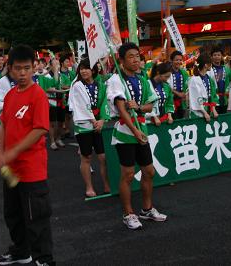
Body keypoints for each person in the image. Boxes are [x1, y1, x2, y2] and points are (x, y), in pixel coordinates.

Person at [0, 45, 54, 266]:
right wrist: (1, 153)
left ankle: (44, 259)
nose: (22, 73)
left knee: (37, 218)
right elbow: (3, 126)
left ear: (34, 68)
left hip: (32, 169)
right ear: (9, 69)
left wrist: (12, 152)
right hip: (11, 168)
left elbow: (40, 130)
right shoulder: (9, 96)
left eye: (26, 68)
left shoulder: (38, 94)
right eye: (17, 68)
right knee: (13, 214)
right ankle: (21, 251)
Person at [106, 42, 166, 231]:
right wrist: (135, 131)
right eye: (130, 56)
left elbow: (151, 106)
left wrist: (138, 107)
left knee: (149, 171)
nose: (135, 60)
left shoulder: (142, 80)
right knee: (128, 174)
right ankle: (128, 213)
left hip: (141, 130)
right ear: (121, 60)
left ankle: (146, 209)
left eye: (137, 56)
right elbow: (122, 109)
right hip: (126, 133)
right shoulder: (116, 80)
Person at [68, 58, 110, 198]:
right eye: (81, 68)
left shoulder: (101, 85)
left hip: (98, 124)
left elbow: (105, 102)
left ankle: (106, 184)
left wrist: (102, 120)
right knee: (86, 157)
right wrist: (93, 121)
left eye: (87, 68)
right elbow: (79, 105)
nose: (84, 71)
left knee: (103, 157)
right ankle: (89, 187)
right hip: (84, 125)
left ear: (93, 70)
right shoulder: (77, 85)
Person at [189, 55, 219, 122]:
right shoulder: (194, 79)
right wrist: (204, 112)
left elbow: (213, 95)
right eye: (210, 63)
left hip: (209, 110)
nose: (211, 65)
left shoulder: (210, 79)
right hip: (198, 112)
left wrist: (213, 110)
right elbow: (196, 98)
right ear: (206, 65)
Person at [207, 47, 231, 115]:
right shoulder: (208, 69)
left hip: (225, 99)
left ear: (222, 56)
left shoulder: (226, 68)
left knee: (224, 120)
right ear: (211, 57)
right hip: (213, 99)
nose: (217, 57)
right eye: (215, 55)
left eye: (219, 55)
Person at [168, 51, 189, 120]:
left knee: (182, 121)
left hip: (182, 102)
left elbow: (187, 86)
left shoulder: (184, 72)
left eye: (180, 60)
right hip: (170, 102)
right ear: (171, 60)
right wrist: (178, 93)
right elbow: (166, 86)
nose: (179, 62)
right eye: (176, 60)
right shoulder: (167, 72)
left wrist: (185, 94)